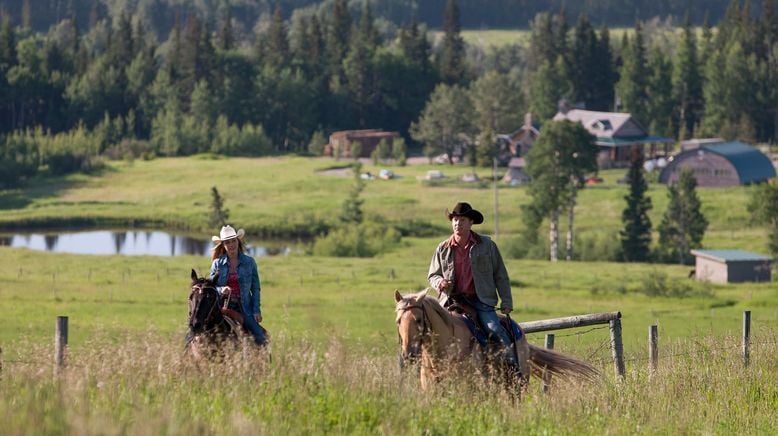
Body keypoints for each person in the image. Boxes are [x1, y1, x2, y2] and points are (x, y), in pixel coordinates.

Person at [428, 202, 516, 367]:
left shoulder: (487, 246)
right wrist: (440, 282)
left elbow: (500, 275)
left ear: (471, 222)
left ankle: (512, 368)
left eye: (462, 220)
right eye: (454, 220)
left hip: (480, 302)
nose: (457, 223)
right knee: (428, 330)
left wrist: (506, 301)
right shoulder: (443, 248)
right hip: (451, 301)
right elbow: (433, 274)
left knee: (495, 330)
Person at [209, 225, 267, 347]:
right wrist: (221, 289)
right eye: (227, 242)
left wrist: (256, 310)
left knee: (261, 337)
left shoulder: (249, 262)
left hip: (243, 306)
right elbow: (211, 287)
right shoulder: (217, 263)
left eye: (233, 241)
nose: (231, 244)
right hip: (221, 305)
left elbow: (255, 288)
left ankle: (262, 363)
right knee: (194, 331)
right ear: (223, 245)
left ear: (238, 241)